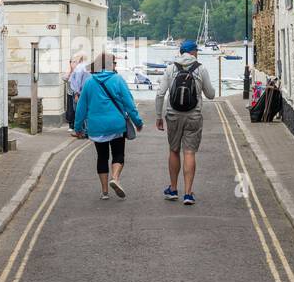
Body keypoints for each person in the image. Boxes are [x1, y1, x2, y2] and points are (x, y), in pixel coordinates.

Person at [73, 52, 143, 199]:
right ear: (110, 65)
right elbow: (129, 104)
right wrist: (137, 122)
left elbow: (81, 108)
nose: (116, 66)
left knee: (102, 157)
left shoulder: (89, 82)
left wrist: (77, 128)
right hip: (116, 125)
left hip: (96, 127)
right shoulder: (118, 80)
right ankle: (115, 178)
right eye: (115, 63)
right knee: (118, 154)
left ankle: (105, 192)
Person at [155, 39, 215, 205]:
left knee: (174, 150)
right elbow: (210, 94)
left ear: (181, 52)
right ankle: (188, 194)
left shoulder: (170, 68)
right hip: (193, 115)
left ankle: (173, 189)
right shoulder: (201, 68)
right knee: (189, 152)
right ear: (194, 52)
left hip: (173, 115)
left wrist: (159, 116)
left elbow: (160, 94)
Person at [64, 53, 89, 127]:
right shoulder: (87, 67)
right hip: (85, 93)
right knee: (85, 111)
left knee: (78, 112)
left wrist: (76, 94)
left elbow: (77, 83)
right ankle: (85, 129)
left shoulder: (79, 68)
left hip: (78, 94)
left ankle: (81, 130)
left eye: (75, 60)